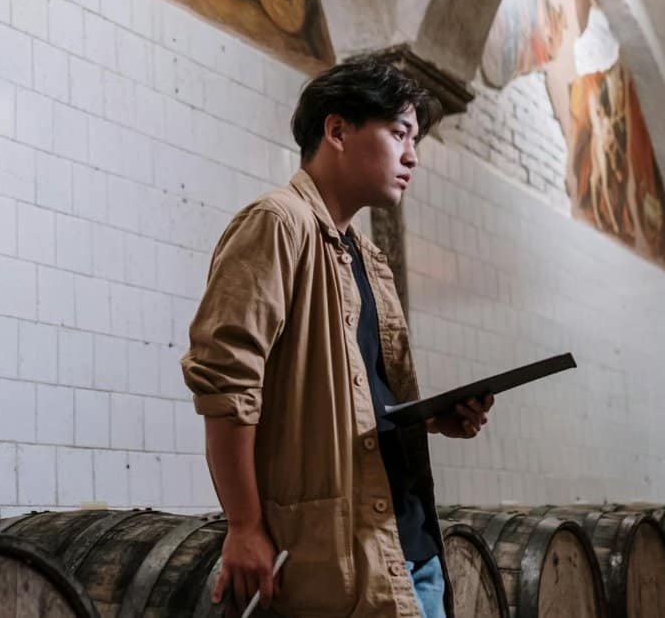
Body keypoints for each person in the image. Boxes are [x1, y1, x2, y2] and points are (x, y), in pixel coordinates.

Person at [181, 56, 494, 617]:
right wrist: (244, 524)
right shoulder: (278, 223)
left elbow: (358, 398)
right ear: (337, 130)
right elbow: (226, 383)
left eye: (414, 138)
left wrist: (430, 418)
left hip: (409, 549)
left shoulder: (368, 258)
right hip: (343, 564)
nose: (412, 155)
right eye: (399, 133)